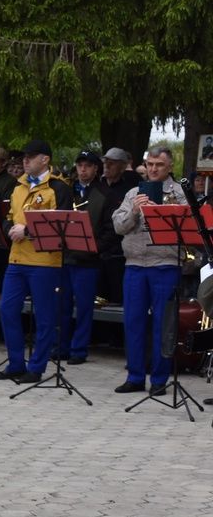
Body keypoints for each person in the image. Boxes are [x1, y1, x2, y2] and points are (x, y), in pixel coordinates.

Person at [0, 140, 72, 383]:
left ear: (45, 159)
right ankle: (15, 363)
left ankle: (37, 367)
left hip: (45, 261)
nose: (25, 161)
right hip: (16, 258)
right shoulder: (18, 186)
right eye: (23, 157)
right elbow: (9, 216)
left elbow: (62, 225)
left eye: (31, 157)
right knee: (7, 309)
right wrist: (9, 228)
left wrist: (27, 231)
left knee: (44, 317)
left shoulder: (58, 188)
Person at [110, 145, 188, 394]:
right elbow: (118, 226)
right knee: (133, 322)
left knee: (163, 325)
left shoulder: (180, 193)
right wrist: (134, 211)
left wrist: (162, 211)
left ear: (170, 166)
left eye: (159, 165)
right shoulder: (134, 192)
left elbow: (190, 226)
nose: (153, 169)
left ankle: (159, 380)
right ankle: (134, 376)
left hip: (165, 264)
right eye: (150, 164)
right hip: (134, 265)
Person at [59, 151, 109, 364]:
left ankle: (78, 350)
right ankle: (61, 346)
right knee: (61, 305)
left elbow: (109, 230)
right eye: (80, 165)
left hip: (88, 261)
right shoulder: (67, 190)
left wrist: (94, 247)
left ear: (96, 169)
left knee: (84, 308)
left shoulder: (104, 193)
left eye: (88, 166)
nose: (83, 169)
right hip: (65, 257)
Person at [97, 147, 141, 304]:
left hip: (118, 253)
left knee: (117, 300)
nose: (107, 166)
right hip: (98, 252)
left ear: (123, 167)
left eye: (112, 163)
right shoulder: (97, 186)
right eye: (105, 162)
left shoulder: (129, 189)